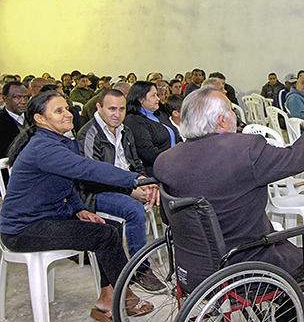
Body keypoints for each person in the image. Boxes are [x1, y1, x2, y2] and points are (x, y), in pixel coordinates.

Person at [154, 88, 304, 322]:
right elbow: (299, 157)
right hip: (245, 261)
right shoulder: (244, 150)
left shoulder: (165, 160)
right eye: (231, 109)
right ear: (223, 120)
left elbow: (168, 218)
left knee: (283, 244)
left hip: (193, 266)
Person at [0, 91, 157, 321]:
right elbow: (88, 168)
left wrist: (79, 209)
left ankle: (107, 296)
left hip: (48, 217)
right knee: (104, 235)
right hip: (23, 229)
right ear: (40, 119)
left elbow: (68, 183)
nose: (68, 114)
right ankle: (125, 296)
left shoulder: (58, 141)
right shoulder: (44, 147)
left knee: (110, 227)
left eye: (67, 108)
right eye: (59, 111)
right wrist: (134, 179)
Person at [76, 89, 166, 291]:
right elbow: (92, 177)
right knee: (133, 209)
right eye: (111, 109)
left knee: (167, 192)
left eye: (121, 109)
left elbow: (135, 163)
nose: (117, 114)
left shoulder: (124, 130)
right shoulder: (89, 134)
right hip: (94, 193)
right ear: (99, 108)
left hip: (127, 184)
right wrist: (130, 189)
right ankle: (140, 269)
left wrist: (146, 183)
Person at [124, 81, 181, 176]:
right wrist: (174, 160)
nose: (158, 98)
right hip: (156, 171)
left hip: (174, 165)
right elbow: (147, 152)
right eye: (153, 95)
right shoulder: (134, 121)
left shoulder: (160, 115)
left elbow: (176, 138)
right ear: (140, 99)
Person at [0, 81, 29, 157]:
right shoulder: (1, 120)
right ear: (5, 99)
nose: (23, 102)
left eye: (26, 97)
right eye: (17, 97)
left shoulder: (34, 117)